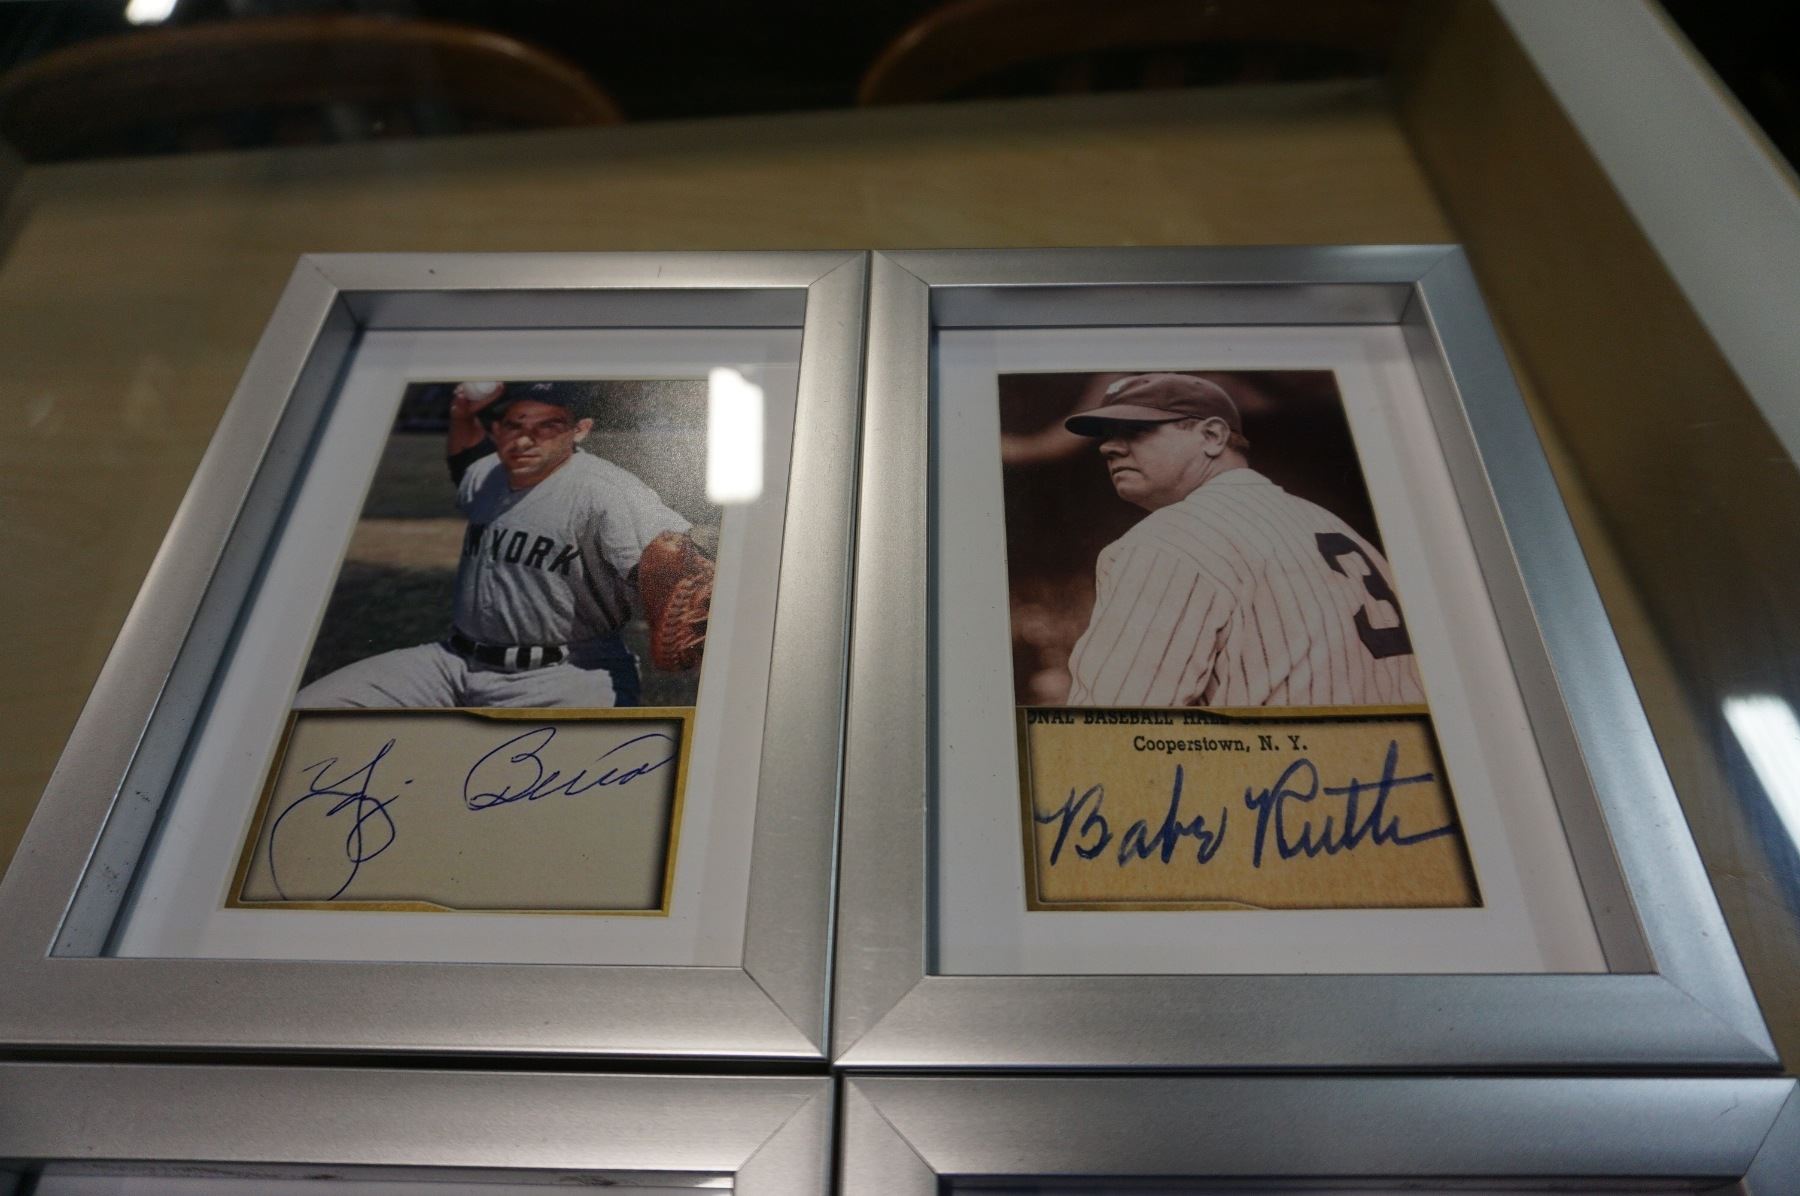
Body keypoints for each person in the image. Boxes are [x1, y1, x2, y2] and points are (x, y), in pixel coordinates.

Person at [296, 381, 711, 709]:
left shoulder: (604, 490)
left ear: (579, 430)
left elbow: (672, 555)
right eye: (514, 425)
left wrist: (689, 572)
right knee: (317, 708)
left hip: (566, 675)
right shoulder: (489, 473)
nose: (525, 440)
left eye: (547, 426)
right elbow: (464, 465)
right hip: (453, 662)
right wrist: (462, 414)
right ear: (498, 430)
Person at [1061, 372, 1424, 708]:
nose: (1108, 448)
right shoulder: (1331, 525)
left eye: (1137, 429)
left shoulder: (1169, 538)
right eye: (1108, 435)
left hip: (1293, 758)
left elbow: (1114, 722)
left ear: (1212, 436)